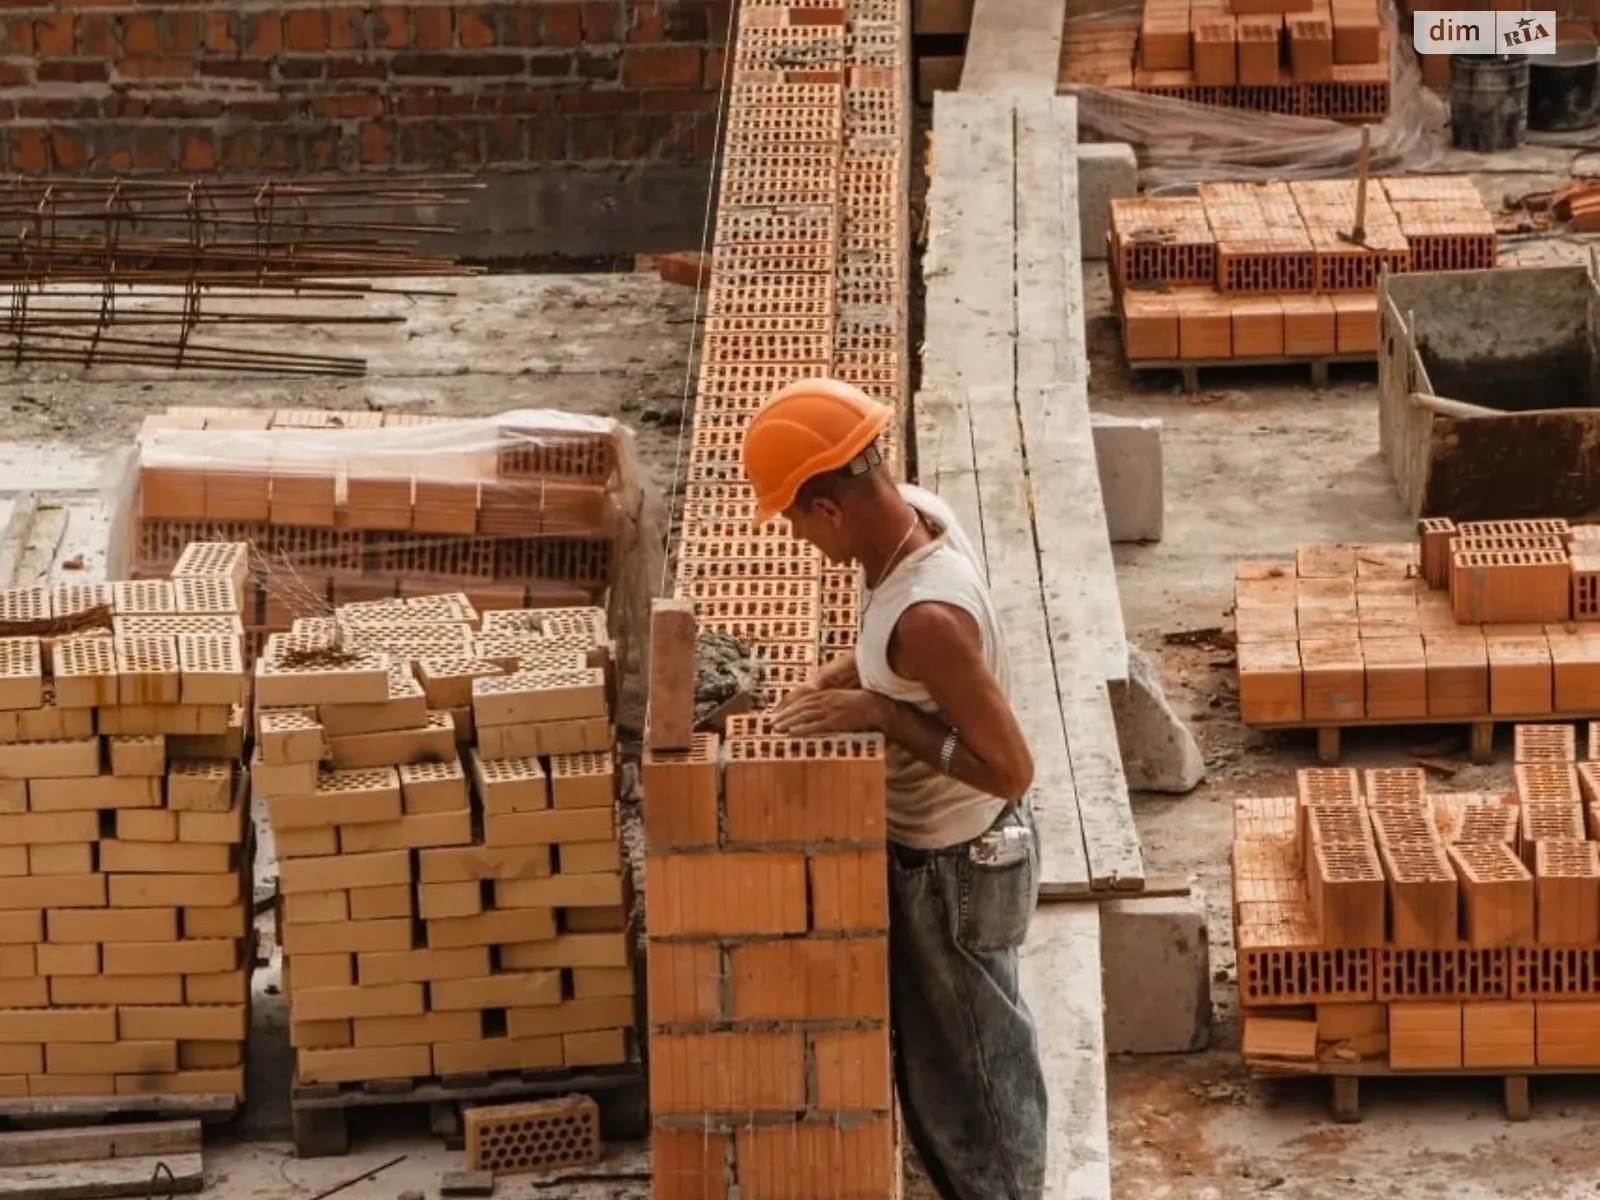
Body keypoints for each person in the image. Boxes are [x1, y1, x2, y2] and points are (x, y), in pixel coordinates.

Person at [740, 376, 1048, 1200]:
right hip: (939, 860)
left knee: (977, 1075)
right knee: (949, 1062)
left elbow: (1011, 769)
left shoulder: (930, 620)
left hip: (959, 867)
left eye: (798, 523)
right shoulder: (914, 512)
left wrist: (876, 710)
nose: (802, 543)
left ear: (829, 509)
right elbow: (889, 658)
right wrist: (834, 678)